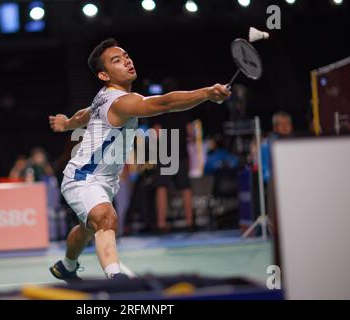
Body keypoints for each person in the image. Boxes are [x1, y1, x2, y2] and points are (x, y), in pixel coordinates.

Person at [48, 38, 231, 281]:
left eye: (125, 56)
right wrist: (206, 93)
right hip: (83, 177)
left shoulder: (104, 96)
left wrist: (67, 123)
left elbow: (86, 113)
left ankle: (67, 266)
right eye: (116, 60)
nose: (126, 61)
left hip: (104, 180)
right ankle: (117, 280)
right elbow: (163, 103)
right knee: (106, 218)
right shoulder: (121, 102)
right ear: (104, 75)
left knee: (88, 228)